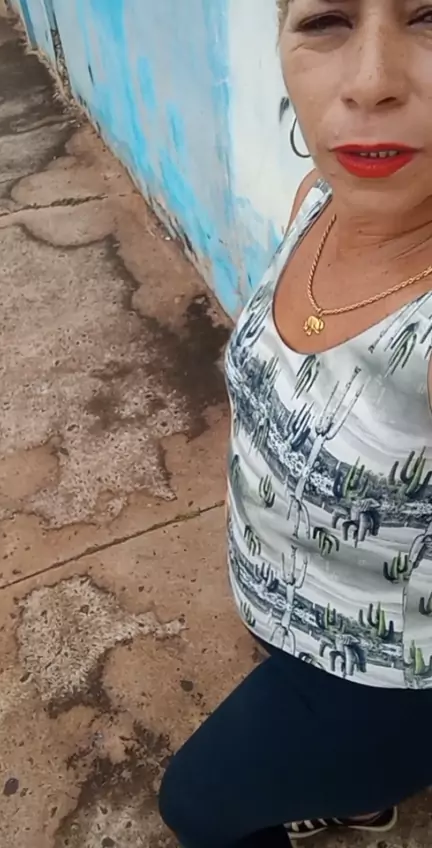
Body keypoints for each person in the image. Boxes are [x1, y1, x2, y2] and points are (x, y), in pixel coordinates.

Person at [159, 1, 432, 845]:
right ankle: (357, 800)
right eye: (325, 20)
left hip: (382, 679)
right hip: (281, 602)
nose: (372, 82)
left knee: (197, 806)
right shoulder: (321, 198)